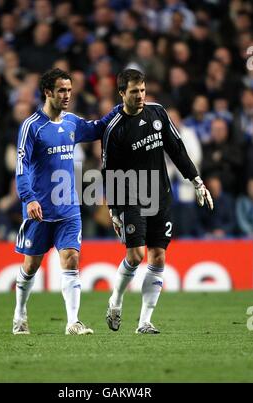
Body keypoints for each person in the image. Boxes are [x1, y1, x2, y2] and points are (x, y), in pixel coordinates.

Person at [103, 69, 213, 334]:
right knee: (136, 255)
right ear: (121, 94)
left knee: (158, 257)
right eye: (134, 92)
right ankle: (115, 301)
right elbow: (110, 172)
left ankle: (144, 322)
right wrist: (114, 211)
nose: (140, 96)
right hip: (131, 197)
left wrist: (196, 180)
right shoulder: (115, 129)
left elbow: (176, 148)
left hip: (161, 194)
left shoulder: (158, 113)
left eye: (142, 90)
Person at [13, 68, 118, 335]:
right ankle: (20, 313)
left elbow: (97, 128)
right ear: (48, 92)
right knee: (31, 265)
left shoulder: (71, 122)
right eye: (62, 90)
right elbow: (21, 166)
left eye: (69, 90)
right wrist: (29, 199)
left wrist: (121, 108)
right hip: (39, 210)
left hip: (69, 208)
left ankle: (73, 322)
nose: (67, 95)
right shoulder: (32, 126)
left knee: (71, 259)